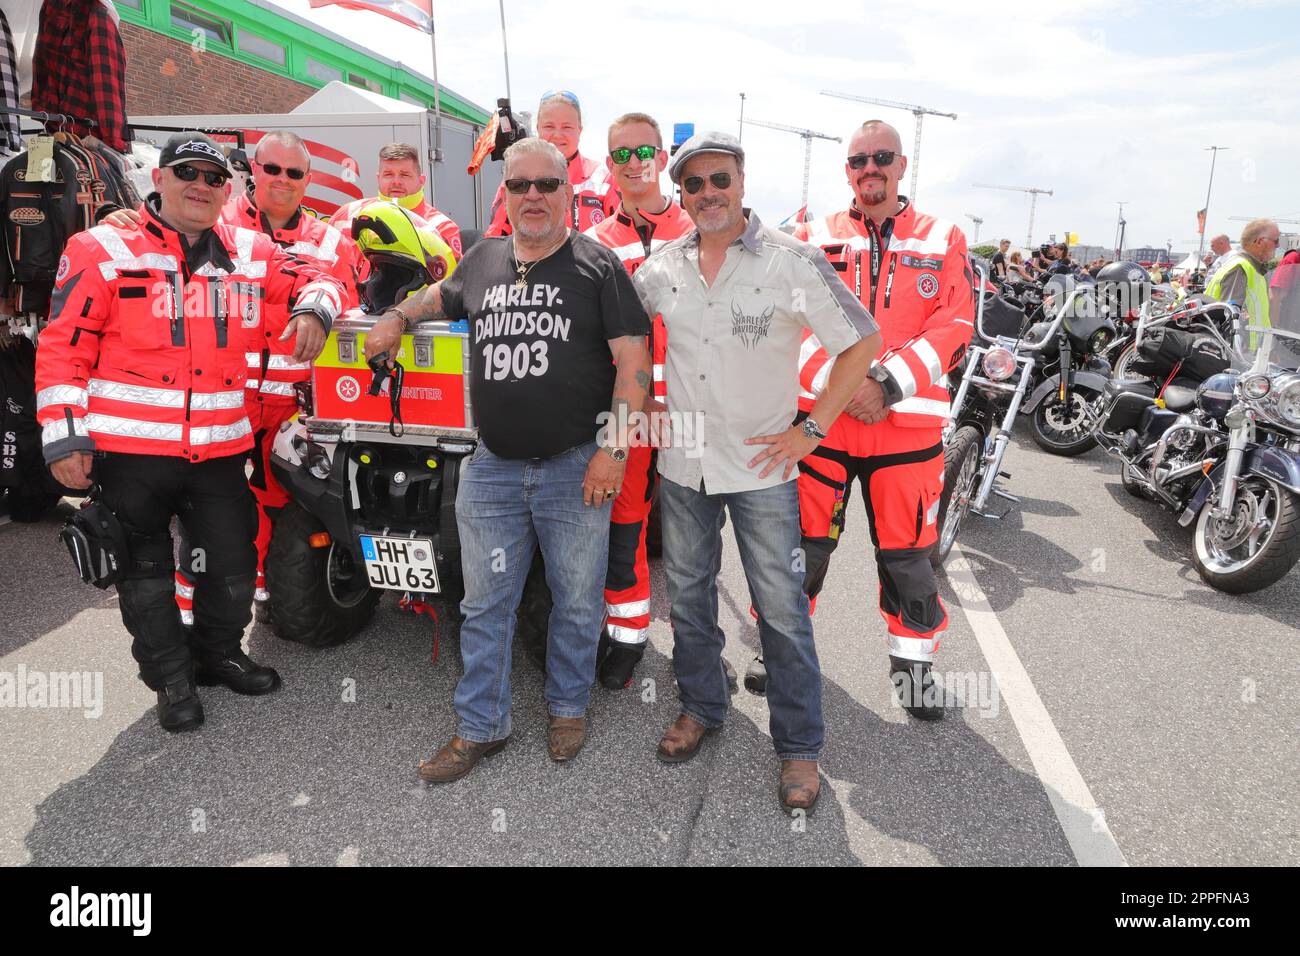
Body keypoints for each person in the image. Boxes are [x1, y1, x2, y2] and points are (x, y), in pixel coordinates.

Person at [362, 137, 652, 781]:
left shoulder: (598, 266)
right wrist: (395, 317)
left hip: (577, 465)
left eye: (546, 185)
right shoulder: (484, 258)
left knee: (577, 600)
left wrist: (613, 451)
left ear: (567, 193)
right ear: (506, 193)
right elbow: (437, 297)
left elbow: (635, 364)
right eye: (519, 185)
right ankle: (480, 727)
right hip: (491, 468)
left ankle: (568, 708)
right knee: (483, 602)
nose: (532, 196)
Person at [35, 133, 343, 732]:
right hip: (129, 456)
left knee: (229, 566)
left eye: (213, 177)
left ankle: (218, 654)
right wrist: (65, 438)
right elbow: (61, 351)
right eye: (187, 173)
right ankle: (171, 682)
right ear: (160, 179)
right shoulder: (99, 247)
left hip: (220, 451)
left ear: (229, 190)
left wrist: (314, 308)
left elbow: (321, 277)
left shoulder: (253, 251)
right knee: (144, 575)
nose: (200, 185)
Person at [633, 132, 881, 813]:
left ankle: (800, 747)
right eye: (693, 185)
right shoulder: (661, 267)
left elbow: (862, 342)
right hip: (684, 463)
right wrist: (646, 398)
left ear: (741, 182)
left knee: (780, 609)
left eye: (719, 180)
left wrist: (813, 428)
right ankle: (702, 707)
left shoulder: (790, 261)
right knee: (686, 600)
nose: (707, 193)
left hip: (763, 466)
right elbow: (622, 338)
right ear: (679, 195)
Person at [102, 130, 363, 624]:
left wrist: (319, 309)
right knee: (206, 511)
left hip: (295, 401)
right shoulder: (215, 218)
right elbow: (152, 236)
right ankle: (187, 612)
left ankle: (259, 593)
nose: (281, 180)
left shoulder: (332, 238)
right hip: (224, 396)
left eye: (294, 172)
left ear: (308, 180)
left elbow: (347, 299)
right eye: (272, 169)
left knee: (281, 502)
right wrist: (122, 216)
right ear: (251, 172)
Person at [781, 119, 974, 721]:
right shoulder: (811, 237)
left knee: (908, 559)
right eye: (859, 160)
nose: (870, 168)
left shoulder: (945, 237)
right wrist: (844, 391)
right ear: (847, 170)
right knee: (801, 551)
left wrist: (885, 386)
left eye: (881, 158)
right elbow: (791, 323)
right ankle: (781, 656)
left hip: (908, 432)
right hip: (826, 427)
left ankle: (913, 672)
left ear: (901, 164)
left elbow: (955, 326)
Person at [579, 111, 694, 688]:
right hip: (629, 415)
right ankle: (628, 637)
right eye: (620, 153)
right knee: (622, 531)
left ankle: (699, 651)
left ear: (661, 156)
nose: (633, 162)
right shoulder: (594, 243)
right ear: (610, 163)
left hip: (698, 416)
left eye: (643, 150)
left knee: (693, 543)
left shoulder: (703, 228)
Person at [484, 91, 620, 237]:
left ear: (579, 131)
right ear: (538, 129)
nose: (557, 134)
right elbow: (495, 236)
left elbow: (621, 235)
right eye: (549, 126)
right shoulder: (516, 178)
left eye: (567, 127)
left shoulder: (603, 177)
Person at [329, 142, 462, 259]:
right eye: (388, 174)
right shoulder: (347, 213)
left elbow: (452, 282)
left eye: (404, 175)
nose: (396, 182)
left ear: (421, 181)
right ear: (378, 178)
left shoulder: (442, 227)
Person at [1207, 218, 1281, 350]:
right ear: (1259, 242)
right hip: (1240, 355)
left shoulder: (1251, 268)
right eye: (1276, 241)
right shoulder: (1240, 268)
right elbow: (1229, 318)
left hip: (1250, 352)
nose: (1278, 245)